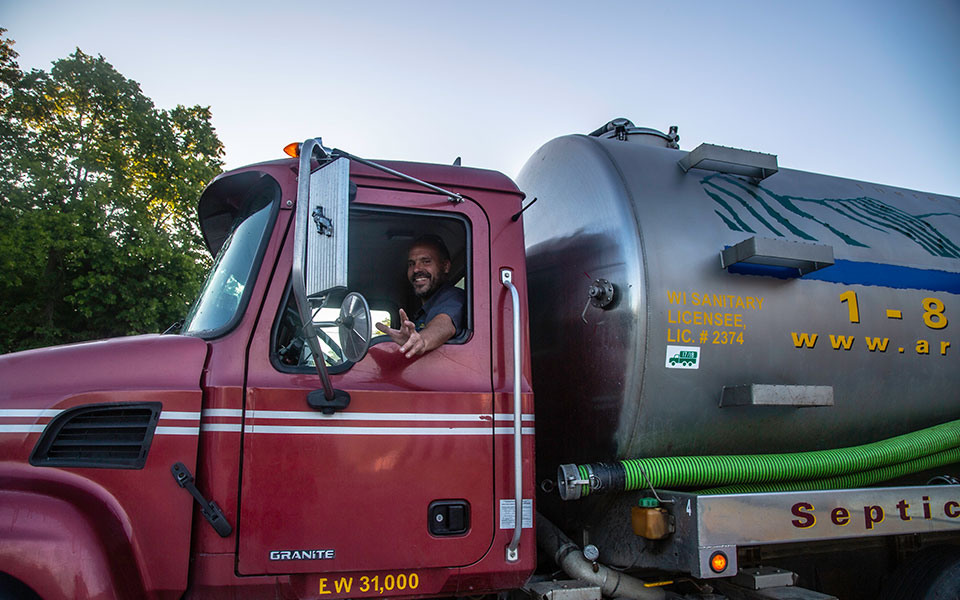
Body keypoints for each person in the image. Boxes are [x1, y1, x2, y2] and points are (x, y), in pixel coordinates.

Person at [376, 234, 465, 358]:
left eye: (426, 261)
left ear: (445, 266)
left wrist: (422, 341)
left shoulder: (453, 297)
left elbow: (444, 325)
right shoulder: (423, 311)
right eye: (411, 264)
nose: (416, 269)